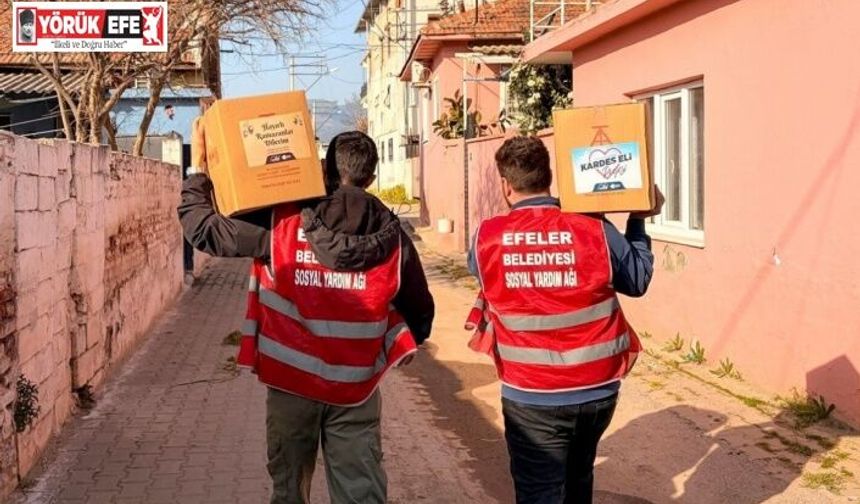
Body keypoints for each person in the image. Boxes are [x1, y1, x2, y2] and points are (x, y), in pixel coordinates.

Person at [178, 122, 435, 504]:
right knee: (360, 493)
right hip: (357, 389)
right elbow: (420, 311)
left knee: (289, 492)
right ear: (372, 176)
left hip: (291, 385)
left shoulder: (282, 225)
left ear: (326, 172)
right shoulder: (394, 238)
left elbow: (204, 230)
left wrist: (199, 171)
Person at [466, 136, 663, 504]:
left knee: (539, 493)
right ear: (549, 177)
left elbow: (485, 275)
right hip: (598, 391)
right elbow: (637, 279)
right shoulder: (593, 228)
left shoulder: (486, 238)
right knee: (578, 481)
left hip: (531, 396)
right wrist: (638, 219)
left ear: (505, 186)